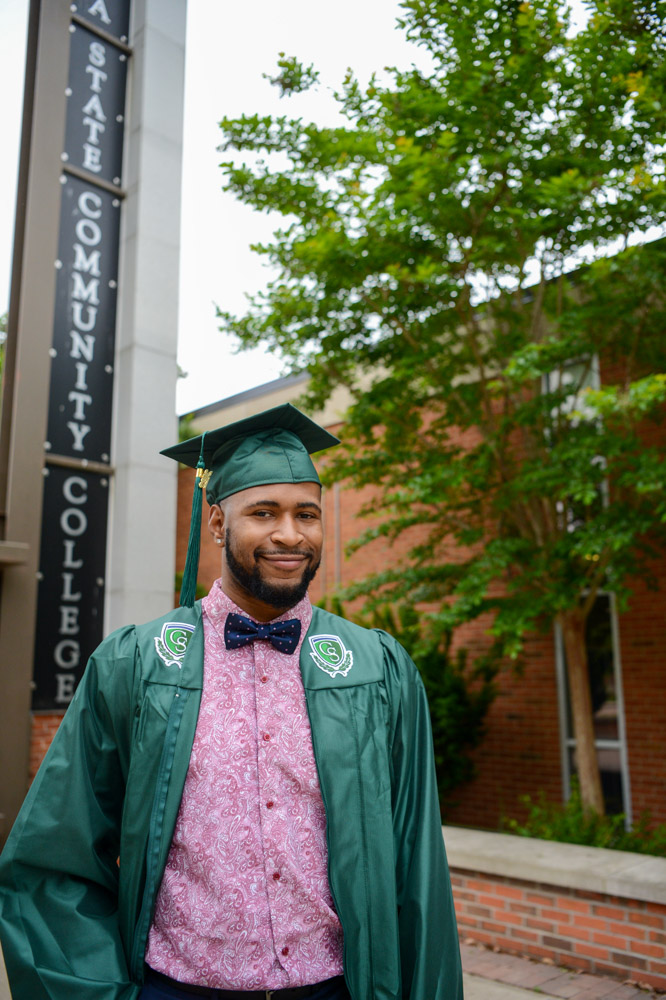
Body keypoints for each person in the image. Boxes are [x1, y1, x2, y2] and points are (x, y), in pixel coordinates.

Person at [0, 404, 463, 1000]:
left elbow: (416, 863)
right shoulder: (136, 665)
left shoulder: (376, 669)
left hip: (335, 989)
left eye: (307, 515)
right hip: (175, 989)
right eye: (263, 512)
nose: (290, 535)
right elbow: (55, 855)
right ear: (217, 522)